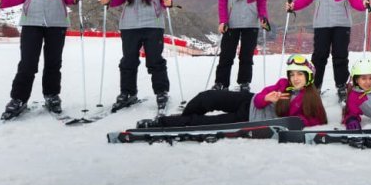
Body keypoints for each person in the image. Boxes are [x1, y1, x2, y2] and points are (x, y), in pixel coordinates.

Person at [137, 54, 327, 128]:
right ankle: (183, 118)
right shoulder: (283, 84)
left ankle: (163, 123)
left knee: (204, 123)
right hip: (248, 101)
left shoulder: (310, 98)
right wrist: (267, 98)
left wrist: (299, 121)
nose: (295, 78)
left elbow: (317, 119)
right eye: (292, 74)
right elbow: (260, 98)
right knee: (207, 98)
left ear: (308, 77)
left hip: (248, 118)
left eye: (299, 75)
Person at [287, 0, 371, 103]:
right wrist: (294, 5)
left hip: (342, 22)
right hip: (322, 23)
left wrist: (363, 5)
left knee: (340, 56)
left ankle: (341, 86)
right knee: (319, 56)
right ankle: (314, 87)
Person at [98, 0, 174, 113]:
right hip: (130, 23)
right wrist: (109, 1)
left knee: (155, 59)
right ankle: (127, 93)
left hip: (153, 22)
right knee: (128, 60)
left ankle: (161, 92)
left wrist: (167, 1)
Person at [213, 0, 269, 92]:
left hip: (251, 23)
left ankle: (244, 82)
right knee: (226, 55)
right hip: (231, 23)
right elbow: (222, 1)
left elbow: (262, 1)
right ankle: (221, 83)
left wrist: (263, 17)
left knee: (246, 56)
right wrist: (223, 20)